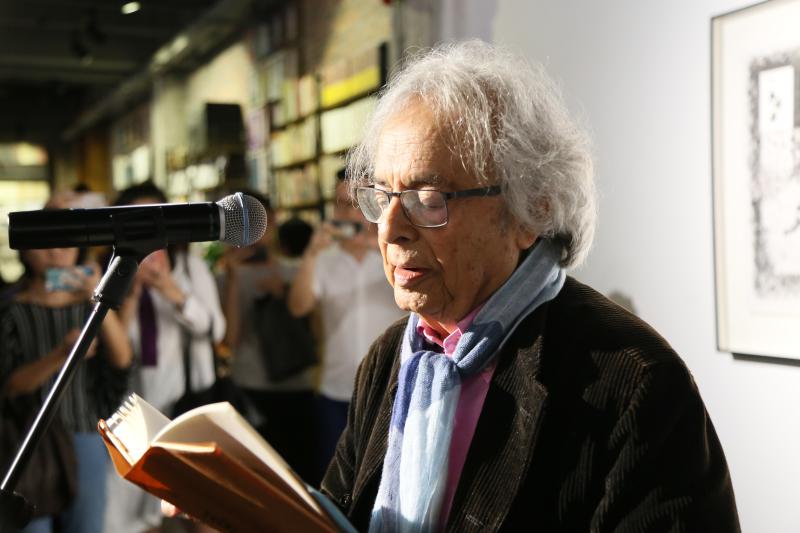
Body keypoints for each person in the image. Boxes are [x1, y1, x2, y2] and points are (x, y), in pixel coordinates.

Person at [315, 40, 741, 531]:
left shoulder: (633, 383)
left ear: (531, 210)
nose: (390, 229)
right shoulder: (392, 357)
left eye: (428, 199)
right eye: (382, 196)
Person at [0, 193, 132, 533]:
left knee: (86, 526)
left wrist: (98, 295)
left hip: (85, 431)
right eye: (45, 242)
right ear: (26, 249)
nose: (56, 252)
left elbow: (122, 357)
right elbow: (11, 385)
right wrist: (61, 354)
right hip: (28, 439)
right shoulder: (12, 309)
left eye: (66, 242)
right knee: (32, 526)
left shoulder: (92, 302)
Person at [104, 182, 225, 533]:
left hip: (186, 401)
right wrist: (132, 290)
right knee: (138, 510)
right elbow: (114, 348)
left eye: (153, 217)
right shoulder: (114, 268)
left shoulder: (189, 266)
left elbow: (215, 329)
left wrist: (168, 287)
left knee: (200, 506)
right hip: (133, 407)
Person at [288, 170, 405, 481]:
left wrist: (377, 245)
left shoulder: (395, 255)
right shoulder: (323, 260)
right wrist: (311, 253)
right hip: (336, 390)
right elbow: (298, 306)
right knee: (335, 480)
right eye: (342, 204)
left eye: (357, 203)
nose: (350, 213)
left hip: (390, 389)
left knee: (386, 479)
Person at [219, 193, 317, 483]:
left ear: (272, 224)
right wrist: (233, 282)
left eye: (261, 222)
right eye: (244, 224)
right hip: (251, 387)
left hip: (298, 383)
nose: (255, 234)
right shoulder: (224, 278)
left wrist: (284, 293)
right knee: (257, 479)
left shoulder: (296, 272)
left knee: (301, 474)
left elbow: (315, 331)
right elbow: (229, 341)